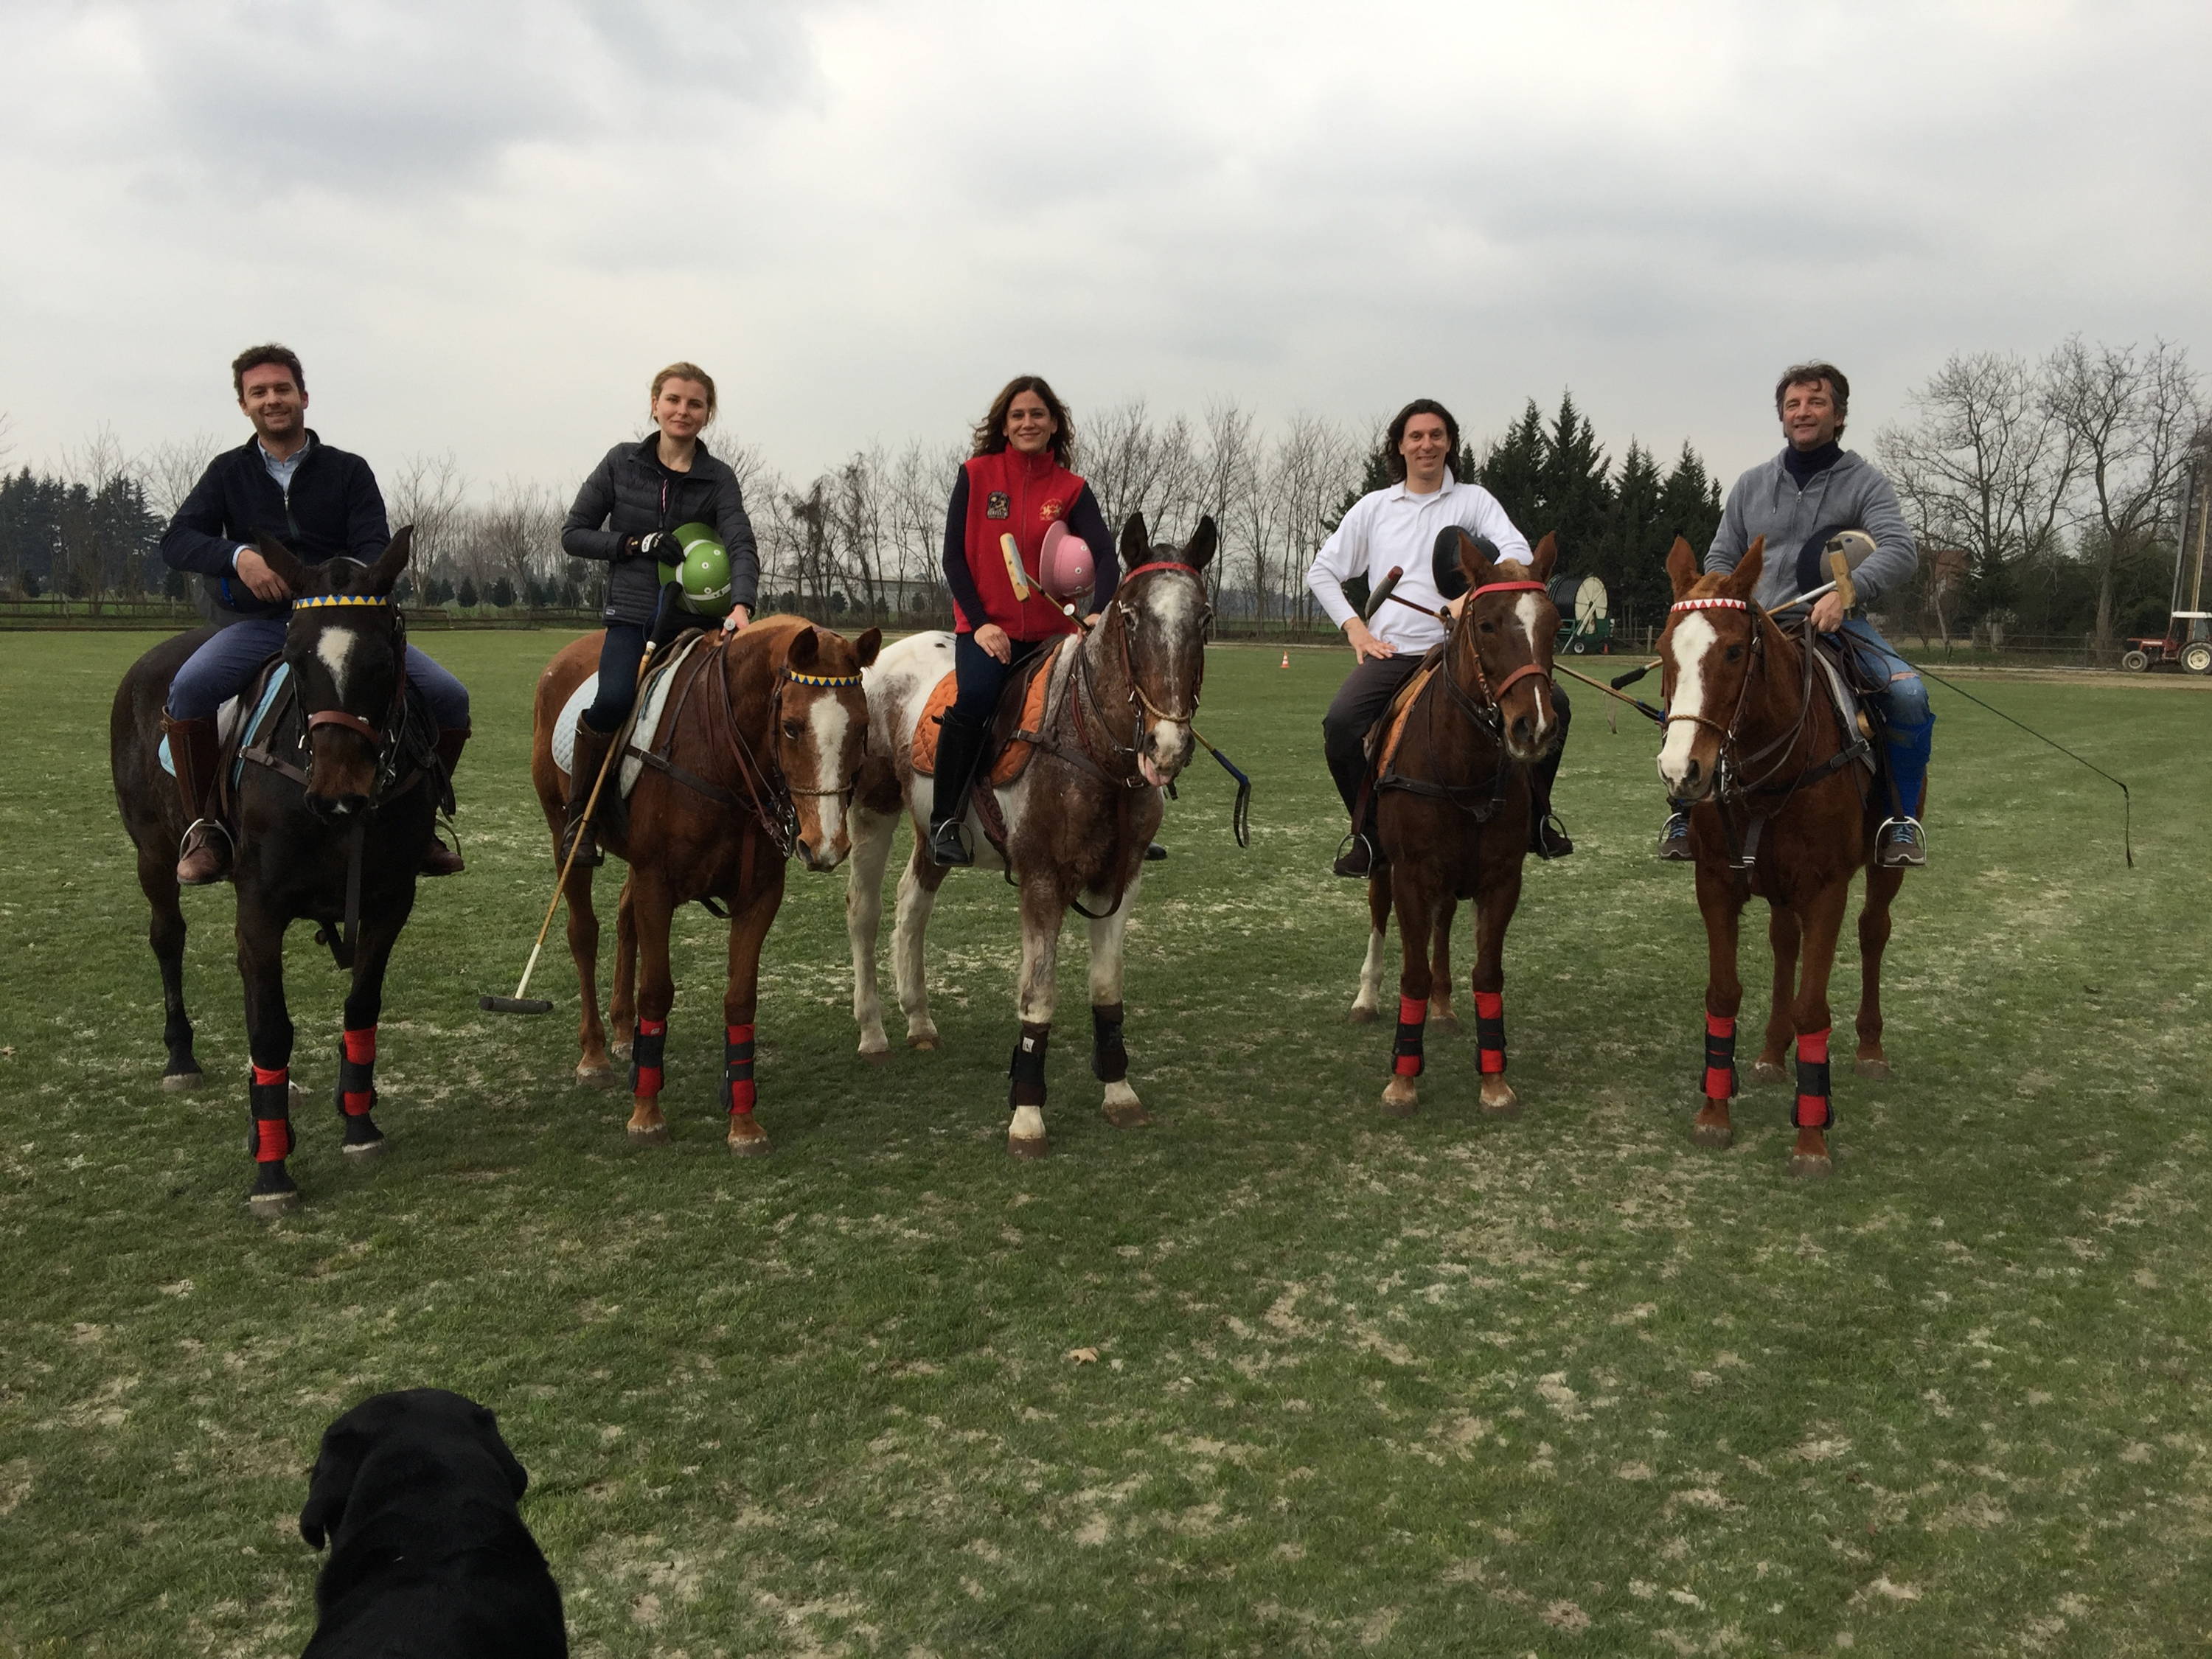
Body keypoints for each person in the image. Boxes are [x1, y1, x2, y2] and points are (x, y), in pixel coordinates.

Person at [159, 344, 472, 884]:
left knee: (449, 697)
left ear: (304, 397)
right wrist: (240, 557)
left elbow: (373, 541)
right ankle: (207, 827)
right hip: (260, 626)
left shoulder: (348, 471)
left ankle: (420, 824)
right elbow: (179, 539)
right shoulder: (227, 473)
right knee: (190, 689)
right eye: (259, 392)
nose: (272, 400)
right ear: (244, 405)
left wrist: (322, 582)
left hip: (345, 623)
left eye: (282, 389)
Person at [1658, 362, 1932, 867]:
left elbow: (1900, 549)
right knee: (1687, 690)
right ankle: (1683, 807)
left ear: (1840, 415)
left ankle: (1899, 820)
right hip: (1756, 627)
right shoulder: (1751, 484)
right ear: (1782, 418)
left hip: (1835, 624)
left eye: (1816, 402)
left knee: (1908, 694)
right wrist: (1724, 603)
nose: (1803, 412)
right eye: (1793, 405)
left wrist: (1846, 592)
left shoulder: (1866, 483)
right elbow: (1722, 558)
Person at [1306, 397, 1573, 878]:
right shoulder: (1375, 508)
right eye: (1416, 436)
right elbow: (1323, 571)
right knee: (1341, 726)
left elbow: (1515, 552)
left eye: (1436, 435)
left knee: (1558, 706)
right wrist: (1357, 630)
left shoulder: (1474, 501)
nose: (1426, 444)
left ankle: (1536, 819)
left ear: (1449, 443)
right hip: (1394, 654)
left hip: (1463, 652)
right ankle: (1368, 834)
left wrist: (1471, 597)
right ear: (1400, 446)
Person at [557, 361, 759, 866]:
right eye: (673, 400)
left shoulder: (719, 478)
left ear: (707, 414)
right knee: (614, 701)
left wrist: (742, 604)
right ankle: (581, 820)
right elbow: (574, 533)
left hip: (699, 620)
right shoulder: (621, 463)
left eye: (694, 403)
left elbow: (740, 541)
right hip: (634, 614)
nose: (682, 411)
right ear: (654, 405)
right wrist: (634, 543)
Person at [928, 375, 1118, 867]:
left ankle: (1115, 821)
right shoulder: (976, 474)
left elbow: (1105, 554)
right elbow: (953, 558)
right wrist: (980, 623)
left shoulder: (1072, 489)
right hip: (987, 629)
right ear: (1004, 426)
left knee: (1104, 704)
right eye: (1018, 415)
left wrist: (1099, 610)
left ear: (1054, 424)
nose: (1028, 422)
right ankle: (945, 819)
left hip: (1054, 635)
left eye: (1037, 414)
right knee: (974, 699)